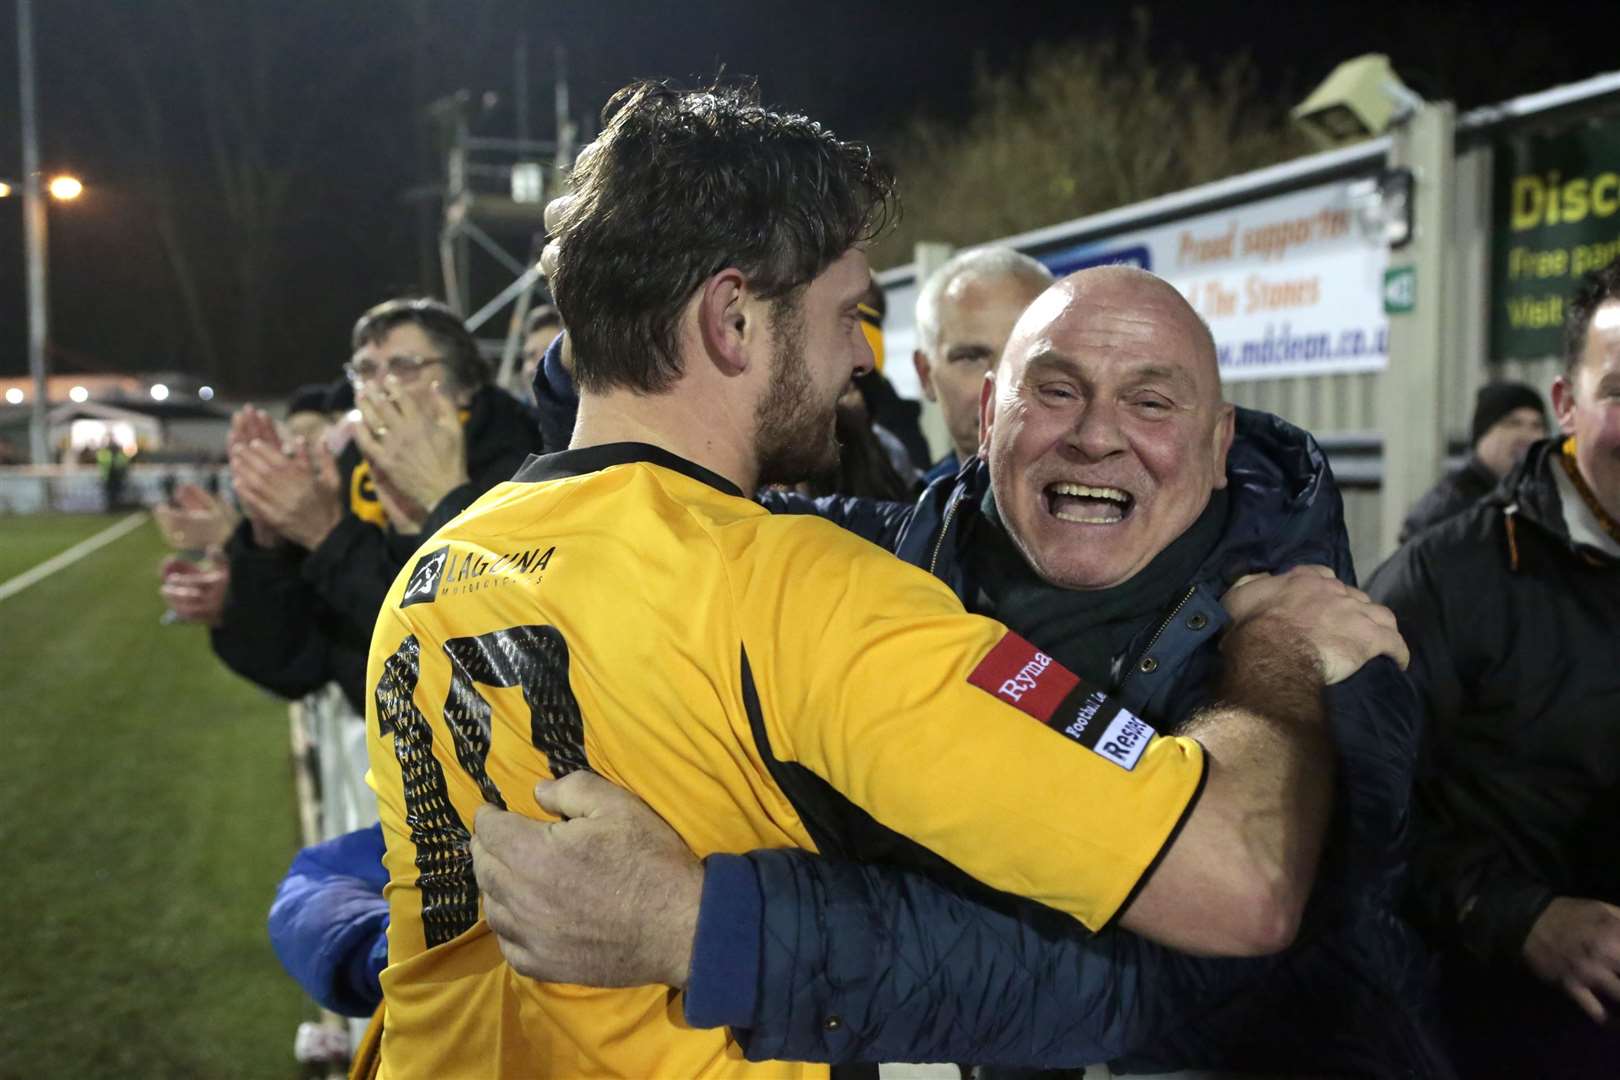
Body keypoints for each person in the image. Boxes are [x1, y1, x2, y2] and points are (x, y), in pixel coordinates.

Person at [364, 82, 1405, 1079]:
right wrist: (1278, 652)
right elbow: (1244, 878)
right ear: (732, 321)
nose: (859, 360)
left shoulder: (441, 566)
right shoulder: (793, 588)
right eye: (842, 317)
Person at [1367, 258, 1620, 1074]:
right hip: (1506, 1030)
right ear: (1566, 405)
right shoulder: (1443, 580)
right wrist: (1518, 917)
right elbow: (1352, 805)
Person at [207, 298, 541, 711]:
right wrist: (268, 542)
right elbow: (292, 663)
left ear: (465, 385)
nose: (380, 384)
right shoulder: (354, 463)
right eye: (365, 370)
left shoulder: (521, 466)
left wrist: (326, 534)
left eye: (404, 366)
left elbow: (477, 643)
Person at [913, 247, 1053, 485]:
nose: (1001, 387)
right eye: (972, 358)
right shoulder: (913, 515)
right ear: (926, 374)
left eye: (1026, 355)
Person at [1398, 381, 1547, 542]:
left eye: (1536, 425)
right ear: (1483, 435)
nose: (1527, 435)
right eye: (1513, 423)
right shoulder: (1450, 506)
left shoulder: (1537, 498)